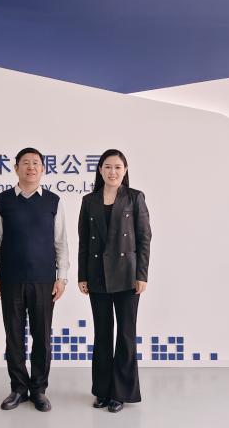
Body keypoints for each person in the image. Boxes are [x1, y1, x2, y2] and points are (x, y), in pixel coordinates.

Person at [0, 147, 69, 412]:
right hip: (10, 279)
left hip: (44, 280)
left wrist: (62, 277)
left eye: (36, 163)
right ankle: (18, 389)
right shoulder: (2, 201)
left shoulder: (53, 202)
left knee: (42, 337)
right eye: (25, 163)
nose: (31, 167)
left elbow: (61, 243)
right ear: (16, 168)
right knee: (14, 336)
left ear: (43, 169)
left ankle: (39, 390)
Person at [77, 149, 152, 413]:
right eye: (108, 167)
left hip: (127, 276)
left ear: (125, 170)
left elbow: (144, 239)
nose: (112, 172)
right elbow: (84, 241)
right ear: (100, 170)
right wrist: (82, 275)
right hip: (97, 275)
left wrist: (141, 275)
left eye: (118, 167)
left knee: (126, 334)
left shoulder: (134, 197)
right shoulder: (89, 200)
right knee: (102, 334)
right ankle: (103, 390)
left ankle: (121, 393)